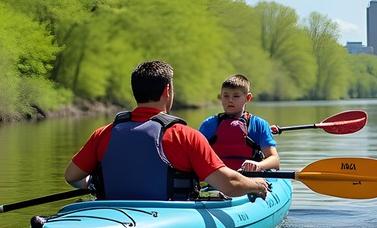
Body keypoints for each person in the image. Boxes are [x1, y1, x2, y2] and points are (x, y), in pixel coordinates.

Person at [64, 60, 269, 201]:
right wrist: (256, 186)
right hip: (169, 220)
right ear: (167, 91)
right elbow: (230, 184)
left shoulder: (103, 134)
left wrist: (94, 184)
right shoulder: (185, 136)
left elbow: (71, 176)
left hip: (114, 215)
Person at [198, 74, 280, 173]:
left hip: (251, 178)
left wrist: (258, 165)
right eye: (226, 96)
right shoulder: (208, 124)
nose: (230, 100)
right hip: (219, 179)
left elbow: (275, 160)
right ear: (221, 97)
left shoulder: (260, 125)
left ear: (248, 98)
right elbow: (195, 156)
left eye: (236, 96)